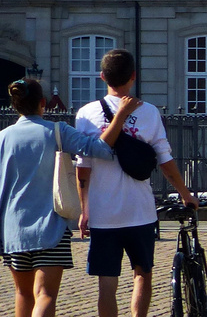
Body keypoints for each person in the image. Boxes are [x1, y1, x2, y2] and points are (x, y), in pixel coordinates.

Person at [75, 50, 197, 317]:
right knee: (142, 274)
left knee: (106, 284)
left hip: (102, 211)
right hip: (139, 210)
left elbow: (83, 170)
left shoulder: (86, 114)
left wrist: (84, 210)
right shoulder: (149, 112)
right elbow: (165, 162)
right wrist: (186, 194)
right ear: (133, 77)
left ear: (102, 76)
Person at [0, 78, 135, 317]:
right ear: (43, 103)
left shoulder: (2, 138)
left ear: (14, 105)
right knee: (45, 295)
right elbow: (101, 150)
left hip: (13, 229)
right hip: (51, 226)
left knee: (23, 294)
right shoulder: (57, 131)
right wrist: (120, 115)